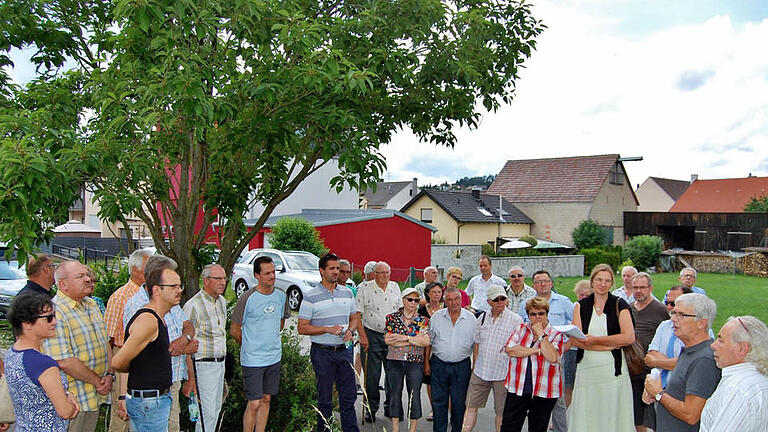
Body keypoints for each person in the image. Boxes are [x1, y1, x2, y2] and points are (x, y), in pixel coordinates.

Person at [123, 256, 198, 432]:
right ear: (157, 281)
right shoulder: (138, 306)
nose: (178, 289)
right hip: (150, 392)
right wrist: (181, 347)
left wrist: (184, 340)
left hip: (171, 381)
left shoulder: (170, 302)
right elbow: (145, 352)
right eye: (172, 281)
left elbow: (188, 327)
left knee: (173, 427)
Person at [42, 261, 114, 432]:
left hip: (95, 394)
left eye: (87, 274)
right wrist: (99, 382)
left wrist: (110, 375)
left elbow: (105, 344)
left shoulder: (92, 304)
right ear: (63, 284)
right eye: (81, 276)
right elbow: (64, 361)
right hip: (73, 399)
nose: (88, 279)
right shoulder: (54, 312)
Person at [112, 254, 181, 431]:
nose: (179, 290)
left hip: (156, 400)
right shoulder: (148, 320)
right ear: (157, 290)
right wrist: (136, 371)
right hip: (149, 403)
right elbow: (118, 361)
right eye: (173, 286)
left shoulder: (160, 317)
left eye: (180, 286)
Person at [298, 253, 362, 432]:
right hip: (322, 353)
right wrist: (326, 329)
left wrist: (350, 330)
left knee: (348, 397)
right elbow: (302, 327)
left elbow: (354, 318)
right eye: (332, 268)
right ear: (321, 271)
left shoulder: (347, 292)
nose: (336, 272)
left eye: (338, 269)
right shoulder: (310, 297)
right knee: (325, 399)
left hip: (344, 351)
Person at [568, 264, 634, 432]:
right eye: (599, 279)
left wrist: (595, 340)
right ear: (592, 281)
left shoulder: (620, 304)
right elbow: (576, 340)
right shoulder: (580, 306)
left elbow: (628, 337)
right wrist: (609, 345)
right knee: (587, 411)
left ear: (612, 283)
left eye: (607, 280)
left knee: (611, 412)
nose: (602, 284)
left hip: (612, 369)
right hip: (587, 368)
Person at [643, 293, 721, 432]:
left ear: (701, 323)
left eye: (681, 315)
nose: (673, 319)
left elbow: (691, 415)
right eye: (674, 313)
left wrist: (658, 394)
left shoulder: (704, 360)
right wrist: (654, 391)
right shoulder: (689, 351)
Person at [5, 293, 80, 431]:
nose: (55, 322)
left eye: (54, 315)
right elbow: (65, 412)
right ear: (26, 323)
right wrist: (71, 399)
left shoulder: (13, 353)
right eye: (49, 318)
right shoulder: (44, 364)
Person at [231, 257, 289, 432]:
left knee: (266, 399)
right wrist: (249, 345)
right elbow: (234, 330)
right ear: (257, 275)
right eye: (267, 273)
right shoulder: (247, 298)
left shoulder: (281, 295)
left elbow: (280, 323)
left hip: (273, 357)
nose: (272, 276)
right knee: (254, 402)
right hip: (253, 359)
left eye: (273, 272)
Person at [518, 270, 573, 432]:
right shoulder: (525, 304)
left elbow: (576, 326)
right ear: (533, 285)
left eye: (545, 281)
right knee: (534, 397)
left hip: (555, 356)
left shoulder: (564, 302)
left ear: (551, 283)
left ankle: (560, 429)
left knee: (558, 400)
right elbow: (521, 329)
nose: (542, 284)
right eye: (538, 282)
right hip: (532, 357)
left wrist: (566, 347)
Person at [104, 248, 151, 432]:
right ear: (136, 270)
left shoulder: (149, 295)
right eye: (149, 267)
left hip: (144, 362)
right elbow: (108, 338)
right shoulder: (122, 296)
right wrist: (110, 372)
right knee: (121, 417)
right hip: (125, 360)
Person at [501, 297, 565, 432]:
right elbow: (511, 350)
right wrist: (538, 350)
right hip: (518, 386)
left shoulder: (556, 334)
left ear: (547, 314)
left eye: (541, 313)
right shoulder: (521, 329)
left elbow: (553, 357)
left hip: (544, 389)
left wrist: (541, 335)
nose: (537, 317)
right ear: (528, 315)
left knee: (538, 428)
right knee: (509, 426)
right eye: (533, 314)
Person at [464, 285, 522, 432]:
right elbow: (477, 343)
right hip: (481, 371)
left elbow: (518, 347)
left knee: (501, 412)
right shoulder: (482, 318)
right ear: (489, 301)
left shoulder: (516, 320)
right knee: (470, 406)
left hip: (503, 373)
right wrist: (475, 365)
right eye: (496, 299)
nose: (500, 301)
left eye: (503, 298)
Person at [700, 316, 768, 432]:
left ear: (742, 348)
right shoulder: (759, 379)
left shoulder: (736, 389)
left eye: (721, 340)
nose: (713, 345)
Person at [184, 264, 228, 432]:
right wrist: (190, 377)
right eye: (218, 278)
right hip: (203, 365)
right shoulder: (193, 305)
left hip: (220, 363)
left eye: (224, 278)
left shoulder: (222, 302)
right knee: (206, 413)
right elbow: (185, 344)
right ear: (206, 280)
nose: (223, 282)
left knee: (215, 409)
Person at [356, 261, 402, 423]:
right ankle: (371, 408)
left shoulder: (395, 287)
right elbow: (357, 314)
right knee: (372, 376)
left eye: (387, 273)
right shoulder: (364, 288)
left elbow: (400, 311)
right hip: (372, 335)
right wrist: (362, 336)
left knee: (393, 375)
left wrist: (399, 334)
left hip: (391, 336)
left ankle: (391, 407)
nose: (385, 276)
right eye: (381, 273)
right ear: (374, 274)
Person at [427, 287, 477, 432]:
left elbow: (476, 344)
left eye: (456, 299)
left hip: (462, 366)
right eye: (449, 299)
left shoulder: (471, 319)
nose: (454, 302)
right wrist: (426, 364)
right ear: (444, 301)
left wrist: (475, 364)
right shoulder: (436, 317)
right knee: (438, 402)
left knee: (459, 402)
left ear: (461, 300)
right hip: (438, 364)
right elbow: (428, 342)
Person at [384, 288, 431, 432]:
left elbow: (426, 342)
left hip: (414, 361)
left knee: (414, 394)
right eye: (410, 299)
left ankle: (413, 429)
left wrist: (403, 338)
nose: (413, 303)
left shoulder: (423, 320)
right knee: (394, 393)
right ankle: (395, 428)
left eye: (416, 300)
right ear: (403, 300)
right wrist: (414, 340)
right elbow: (388, 340)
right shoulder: (391, 318)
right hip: (394, 360)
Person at [628, 272, 669, 432]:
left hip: (651, 370)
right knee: (635, 413)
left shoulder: (661, 310)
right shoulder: (628, 308)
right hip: (631, 367)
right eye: (635, 287)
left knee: (649, 415)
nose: (638, 291)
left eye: (642, 287)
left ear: (650, 288)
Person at [644, 286, 698, 389]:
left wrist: (656, 362)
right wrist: (673, 363)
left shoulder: (698, 327)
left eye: (673, 303)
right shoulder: (664, 326)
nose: (669, 307)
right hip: (659, 387)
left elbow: (691, 363)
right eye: (666, 303)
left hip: (683, 390)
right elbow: (651, 353)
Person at [417, 281, 443, 421]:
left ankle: (448, 410)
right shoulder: (421, 311)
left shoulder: (446, 308)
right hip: (426, 350)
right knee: (430, 381)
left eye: (439, 292)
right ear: (427, 294)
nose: (437, 295)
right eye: (433, 292)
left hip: (442, 349)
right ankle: (434, 410)